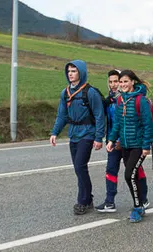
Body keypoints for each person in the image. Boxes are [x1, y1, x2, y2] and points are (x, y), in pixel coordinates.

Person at [50, 60, 105, 215]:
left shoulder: (90, 92)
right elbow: (62, 115)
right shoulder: (65, 93)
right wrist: (55, 132)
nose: (70, 74)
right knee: (78, 169)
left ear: (81, 72)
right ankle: (88, 198)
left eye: (74, 71)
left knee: (80, 166)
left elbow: (99, 116)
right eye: (69, 71)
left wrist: (98, 137)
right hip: (73, 134)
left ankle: (83, 201)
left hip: (87, 134)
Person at [96, 69, 150, 213]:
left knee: (132, 173)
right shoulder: (113, 100)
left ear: (132, 82)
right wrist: (110, 140)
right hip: (118, 142)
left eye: (117, 81)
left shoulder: (139, 99)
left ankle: (141, 201)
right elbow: (116, 123)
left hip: (134, 143)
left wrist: (146, 146)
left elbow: (148, 125)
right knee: (112, 169)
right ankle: (110, 201)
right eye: (111, 82)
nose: (114, 84)